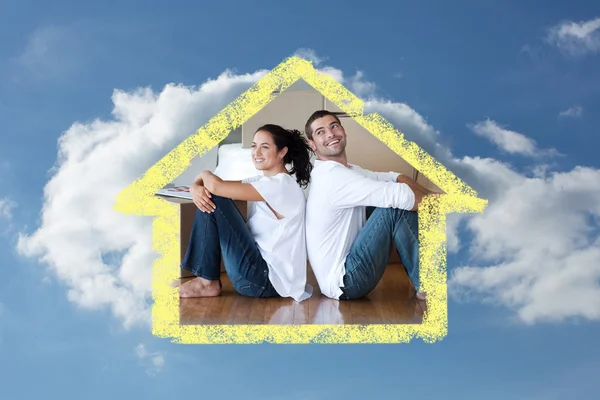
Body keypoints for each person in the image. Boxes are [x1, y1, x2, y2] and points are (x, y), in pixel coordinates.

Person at [303, 110, 436, 301]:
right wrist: (449, 206)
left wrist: (430, 195)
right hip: (346, 282)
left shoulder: (347, 170)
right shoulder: (333, 177)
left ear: (343, 130)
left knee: (394, 194)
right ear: (312, 144)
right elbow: (405, 197)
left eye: (334, 126)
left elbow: (394, 177)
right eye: (320, 132)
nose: (331, 134)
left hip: (346, 270)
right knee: (395, 208)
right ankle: (429, 285)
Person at [178, 124, 314, 302]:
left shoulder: (280, 186)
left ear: (282, 152)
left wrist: (203, 174)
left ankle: (206, 282)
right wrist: (196, 186)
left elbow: (215, 187)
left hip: (262, 280)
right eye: (254, 146)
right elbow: (215, 184)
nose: (256, 152)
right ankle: (206, 280)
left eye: (264, 147)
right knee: (214, 194)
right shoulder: (264, 181)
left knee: (216, 198)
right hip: (260, 276)